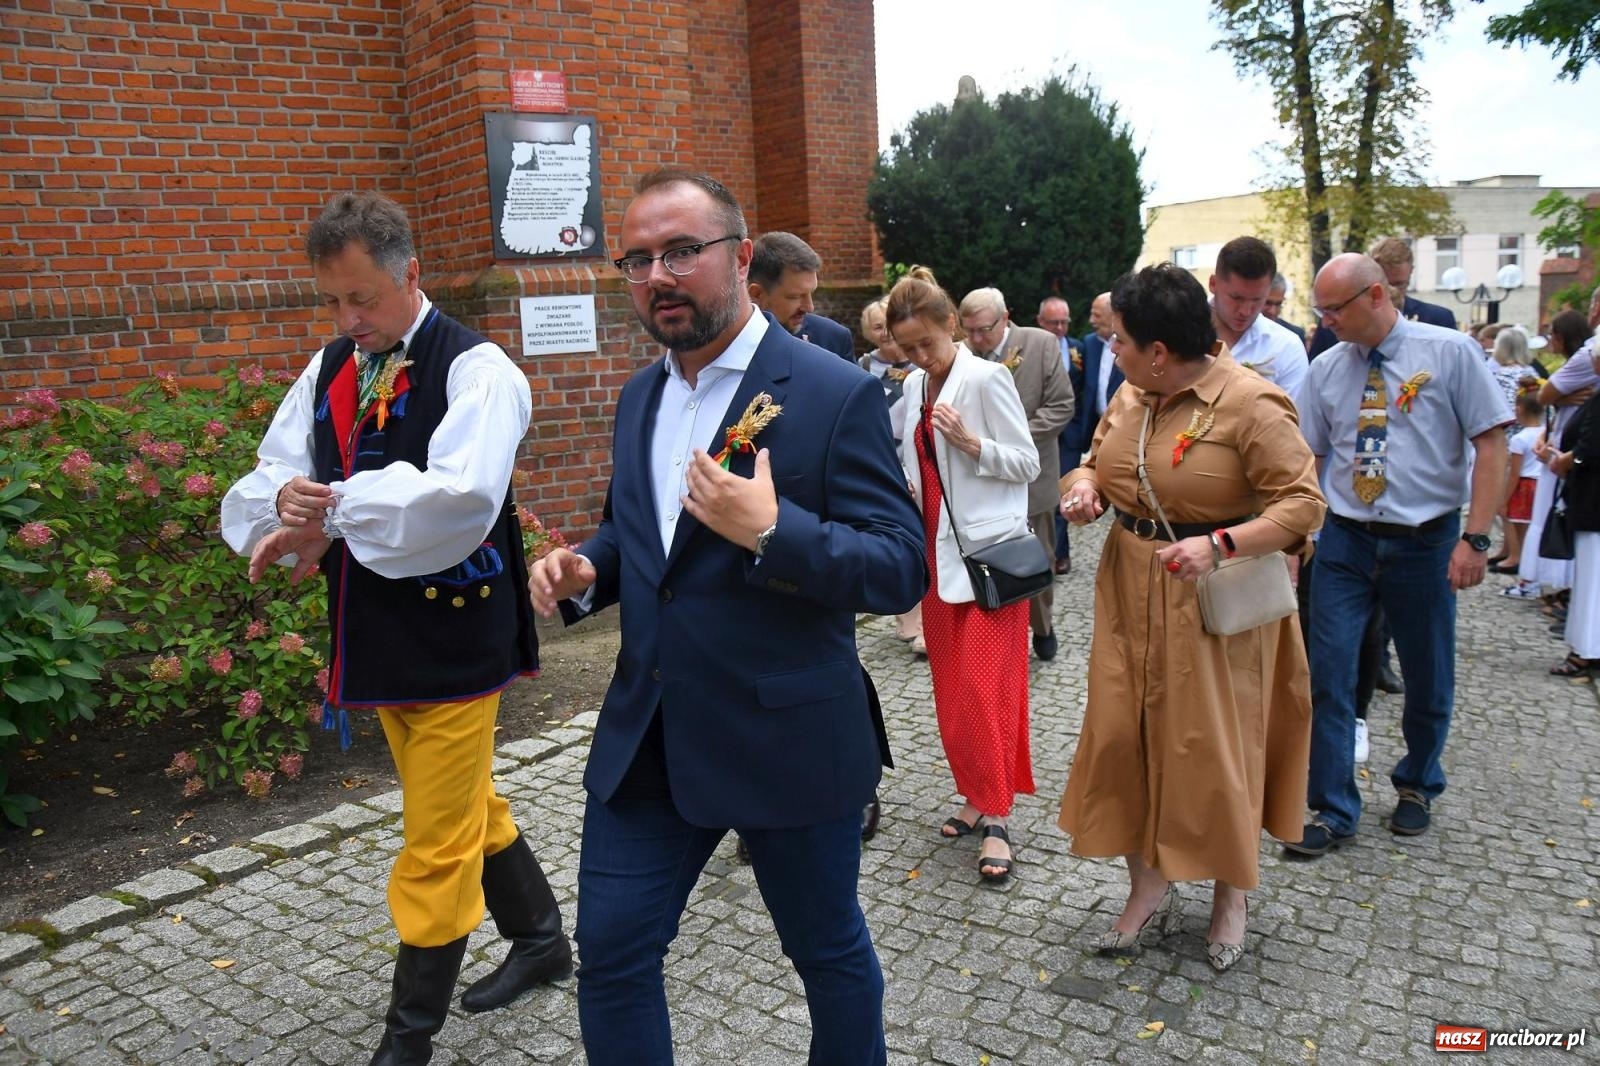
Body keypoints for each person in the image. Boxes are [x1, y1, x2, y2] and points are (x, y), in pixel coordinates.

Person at [526, 169, 924, 1066]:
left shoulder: (833, 392)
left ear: (741, 256)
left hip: (789, 734)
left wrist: (775, 531)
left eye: (680, 252)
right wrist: (588, 567)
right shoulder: (640, 397)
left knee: (827, 955)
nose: (657, 277)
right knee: (613, 955)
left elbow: (901, 565)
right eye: (637, 260)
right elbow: (643, 538)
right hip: (653, 733)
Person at [220, 192, 570, 1066]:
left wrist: (331, 510)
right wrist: (285, 502)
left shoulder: (481, 371)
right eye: (332, 301)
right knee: (466, 803)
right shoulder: (333, 366)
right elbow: (275, 468)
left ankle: (407, 1042)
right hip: (376, 632)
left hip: (456, 642)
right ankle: (542, 940)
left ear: (410, 274)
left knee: (436, 840)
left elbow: (458, 497)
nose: (347, 320)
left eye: (363, 298)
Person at [1057, 263, 1322, 972]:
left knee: (1218, 750)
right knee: (1127, 737)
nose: (1109, 349)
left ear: (1159, 351)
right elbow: (1092, 460)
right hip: (1129, 593)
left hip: (1218, 603)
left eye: (1119, 340)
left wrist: (1221, 543)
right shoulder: (1132, 393)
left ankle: (1231, 896)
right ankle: (1147, 887)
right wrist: (1084, 488)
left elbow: (1303, 505)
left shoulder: (1251, 402)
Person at [1289, 253, 1510, 858]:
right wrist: (1300, 535)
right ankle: (1334, 807)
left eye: (1335, 309)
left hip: (1425, 541)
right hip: (1346, 539)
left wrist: (1476, 538)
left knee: (1426, 669)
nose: (1327, 321)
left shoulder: (1450, 353)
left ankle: (1417, 782)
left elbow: (1492, 444)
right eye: (1321, 311)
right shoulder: (1327, 368)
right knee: (1330, 672)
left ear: (1376, 295)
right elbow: (1309, 457)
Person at [890, 267, 1038, 885]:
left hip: (987, 561)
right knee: (952, 694)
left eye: (927, 342)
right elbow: (908, 465)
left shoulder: (986, 379)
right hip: (934, 561)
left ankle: (998, 815)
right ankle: (975, 794)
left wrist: (974, 445)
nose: (920, 356)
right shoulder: (913, 388)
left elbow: (1028, 463)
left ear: (952, 325)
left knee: (985, 689)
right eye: (908, 348)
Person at [957, 287, 1074, 659]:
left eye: (984, 330)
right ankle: (997, 635)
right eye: (968, 330)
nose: (976, 339)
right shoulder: (962, 354)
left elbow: (1061, 406)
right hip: (979, 477)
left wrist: (1010, 439)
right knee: (988, 560)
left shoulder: (1040, 344)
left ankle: (1042, 626)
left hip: (1032, 478)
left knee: (1036, 557)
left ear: (1005, 318)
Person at [860, 296, 924, 654]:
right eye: (877, 326)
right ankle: (907, 616)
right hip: (881, 460)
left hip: (914, 459)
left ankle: (927, 620)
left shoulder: (919, 367)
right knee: (896, 534)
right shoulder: (864, 365)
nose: (884, 333)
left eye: (889, 325)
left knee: (925, 536)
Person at [1523, 312, 1596, 617]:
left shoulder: (1584, 356)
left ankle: (1565, 590)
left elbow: (1545, 394)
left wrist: (1556, 398)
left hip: (1574, 452)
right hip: (1562, 442)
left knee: (1563, 515)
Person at [1308, 237, 1457, 358]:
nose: (1392, 292)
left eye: (1399, 284)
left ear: (1411, 272)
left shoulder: (1439, 321)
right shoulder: (1333, 323)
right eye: (1386, 283)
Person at [1208, 237, 1308, 407]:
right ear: (1213, 284)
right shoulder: (1179, 330)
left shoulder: (1286, 347)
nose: (1246, 311)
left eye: (1257, 300)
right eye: (1236, 298)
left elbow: (1293, 418)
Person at [748, 230, 855, 359]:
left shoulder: (832, 339)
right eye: (795, 296)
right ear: (757, 294)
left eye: (812, 293)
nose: (809, 307)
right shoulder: (727, 342)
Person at [1039, 295, 1084, 574]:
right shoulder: (1028, 350)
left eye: (1063, 322)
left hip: (1069, 435)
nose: (1059, 328)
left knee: (1063, 494)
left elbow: (1085, 389)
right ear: (1040, 322)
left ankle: (1060, 553)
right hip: (1042, 433)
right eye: (1053, 322)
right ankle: (1045, 553)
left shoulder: (1079, 348)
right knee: (1044, 495)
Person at [1499, 392, 1546, 595]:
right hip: (1542, 485)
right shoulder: (1545, 432)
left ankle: (1524, 571)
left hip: (1525, 486)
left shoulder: (1519, 439)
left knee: (1520, 530)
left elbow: (1514, 474)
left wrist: (1504, 500)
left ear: (1520, 410)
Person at [1265, 273, 1307, 345]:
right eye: (1267, 303)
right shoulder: (1243, 331)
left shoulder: (1294, 336)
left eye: (1278, 304)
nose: (1272, 311)